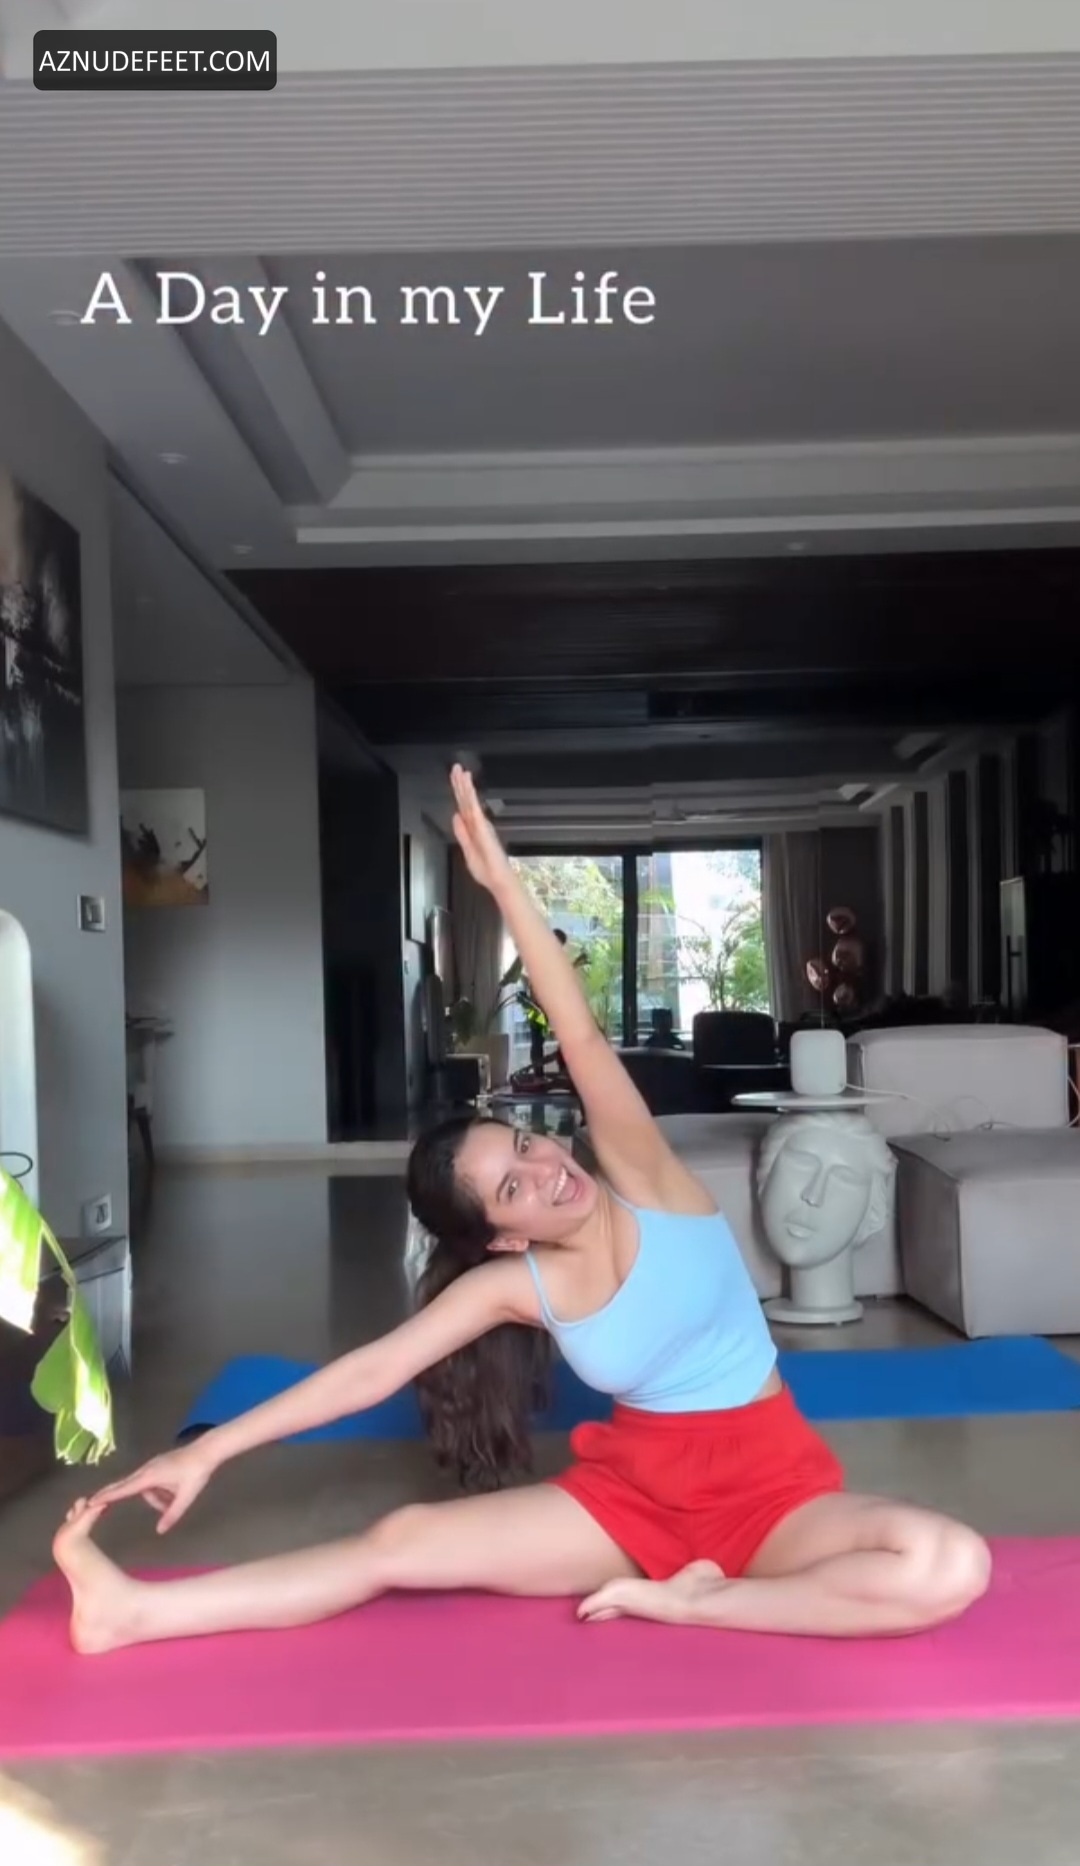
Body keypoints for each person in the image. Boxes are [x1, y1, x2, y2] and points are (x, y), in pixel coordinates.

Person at [54, 767, 991, 1655]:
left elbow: (576, 1029)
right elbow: (367, 1373)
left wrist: (503, 884)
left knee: (949, 1563)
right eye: (511, 1188)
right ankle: (132, 1614)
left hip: (773, 1487)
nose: (545, 1171)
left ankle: (704, 1601)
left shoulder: (648, 1180)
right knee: (399, 1541)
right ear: (503, 1237)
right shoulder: (517, 1286)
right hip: (629, 1500)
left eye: (526, 1146)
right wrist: (207, 1452)